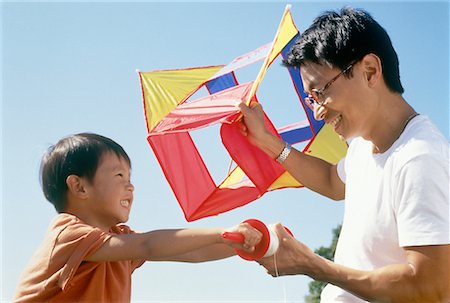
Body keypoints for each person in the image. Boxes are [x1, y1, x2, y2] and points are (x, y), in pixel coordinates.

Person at [238, 7, 449, 302]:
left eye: (320, 92)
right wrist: (266, 141)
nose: (318, 110)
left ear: (370, 71)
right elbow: (330, 181)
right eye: (310, 99)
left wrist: (312, 265)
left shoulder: (419, 158)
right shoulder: (363, 146)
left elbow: (430, 289)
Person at [14, 133, 262, 302]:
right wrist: (221, 233)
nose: (130, 187)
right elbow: (150, 245)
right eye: (120, 176)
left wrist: (242, 243)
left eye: (130, 179)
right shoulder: (67, 233)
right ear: (79, 187)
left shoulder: (120, 242)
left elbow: (191, 252)